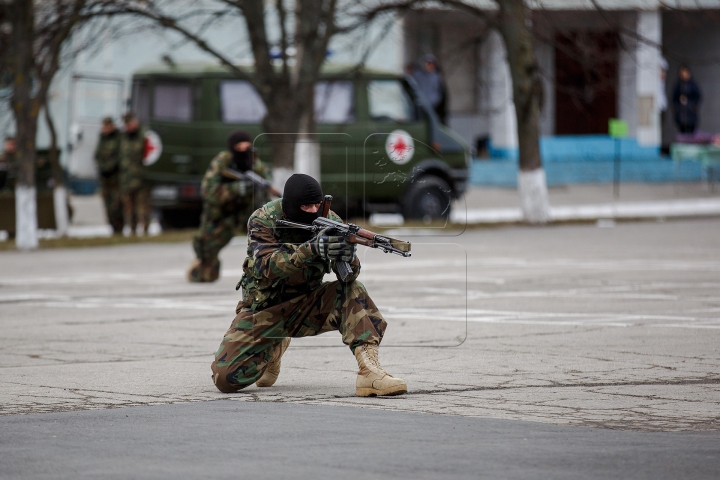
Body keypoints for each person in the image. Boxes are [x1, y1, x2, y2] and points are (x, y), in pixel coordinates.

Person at [210, 173, 407, 397]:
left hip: (307, 305)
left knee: (354, 290)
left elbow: (347, 278)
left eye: (317, 204)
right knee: (225, 379)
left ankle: (370, 371)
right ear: (290, 206)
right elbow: (266, 266)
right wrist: (311, 249)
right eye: (306, 206)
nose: (314, 211)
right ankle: (272, 350)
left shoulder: (330, 220)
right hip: (264, 310)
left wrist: (348, 256)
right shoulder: (263, 220)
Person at [187, 130, 272, 283]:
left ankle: (270, 270)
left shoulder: (256, 166)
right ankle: (202, 266)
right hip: (222, 214)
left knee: (269, 238)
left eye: (247, 146)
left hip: (248, 212)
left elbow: (267, 188)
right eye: (239, 147)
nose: (243, 151)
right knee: (205, 252)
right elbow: (208, 192)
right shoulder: (222, 163)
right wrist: (235, 189)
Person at [119, 112, 150, 236]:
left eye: (130, 123)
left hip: (140, 178)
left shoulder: (144, 136)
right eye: (126, 124)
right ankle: (132, 229)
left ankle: (145, 229)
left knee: (142, 206)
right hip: (126, 179)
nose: (128, 126)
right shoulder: (123, 138)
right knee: (128, 206)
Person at [93, 117, 124, 234]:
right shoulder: (102, 139)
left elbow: (120, 157)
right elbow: (97, 155)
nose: (105, 129)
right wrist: (101, 168)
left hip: (115, 178)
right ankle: (113, 227)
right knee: (107, 204)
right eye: (103, 127)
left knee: (117, 204)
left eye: (107, 126)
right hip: (105, 178)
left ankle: (119, 228)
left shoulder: (118, 139)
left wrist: (110, 167)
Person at [411, 53, 448, 124]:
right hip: (420, 107)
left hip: (433, 107)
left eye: (431, 64)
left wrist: (434, 102)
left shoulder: (436, 77)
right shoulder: (417, 75)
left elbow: (439, 93)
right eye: (428, 64)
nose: (430, 66)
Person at [672, 64, 702, 134]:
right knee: (682, 132)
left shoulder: (693, 85)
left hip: (690, 113)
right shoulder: (678, 85)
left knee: (692, 133)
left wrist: (693, 105)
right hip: (681, 114)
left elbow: (698, 96)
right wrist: (677, 107)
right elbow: (674, 98)